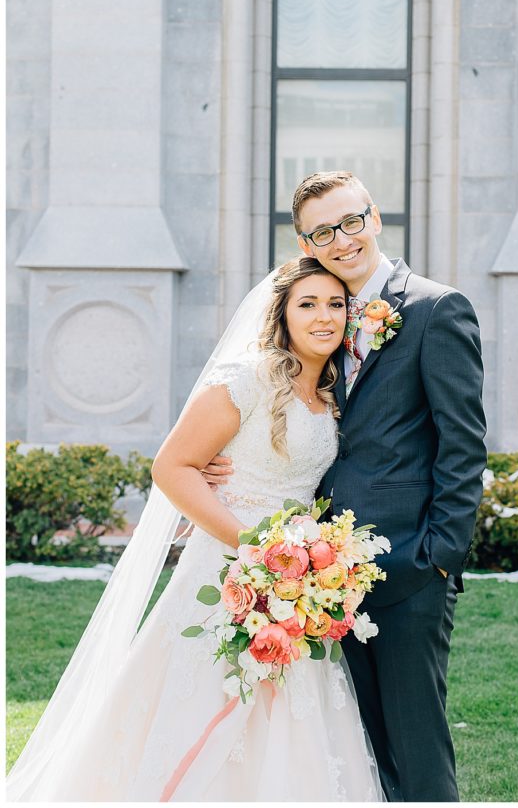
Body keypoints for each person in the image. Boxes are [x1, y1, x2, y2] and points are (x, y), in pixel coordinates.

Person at [6, 257, 384, 802]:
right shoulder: (247, 379)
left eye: (335, 304)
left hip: (301, 579)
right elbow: (171, 467)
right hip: (233, 567)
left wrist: (313, 561)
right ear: (282, 314)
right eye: (308, 304)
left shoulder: (332, 393)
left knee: (293, 707)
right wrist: (255, 548)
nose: (324, 316)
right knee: (210, 699)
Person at [205, 170, 488, 802]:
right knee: (354, 751)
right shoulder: (319, 317)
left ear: (376, 218)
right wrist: (216, 464)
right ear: (307, 244)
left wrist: (437, 560)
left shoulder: (436, 310)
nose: (342, 239)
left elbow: (463, 448)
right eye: (322, 231)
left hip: (409, 569)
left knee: (415, 748)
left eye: (351, 221)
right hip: (321, 577)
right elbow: (281, 415)